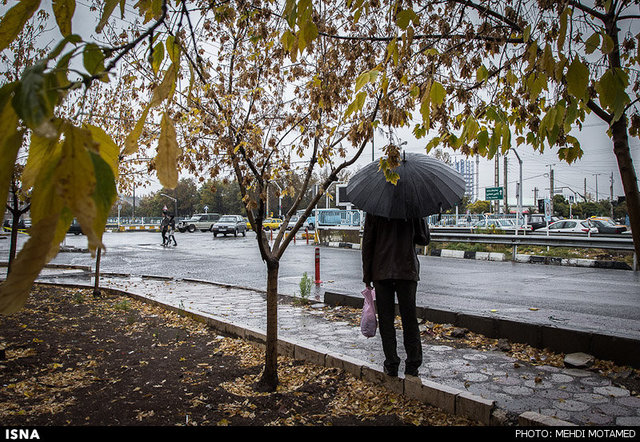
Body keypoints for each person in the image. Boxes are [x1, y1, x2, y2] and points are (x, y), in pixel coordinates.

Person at [361, 213, 430, 378]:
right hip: (407, 270)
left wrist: (367, 276)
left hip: (381, 270)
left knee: (386, 319)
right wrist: (421, 218)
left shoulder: (375, 209)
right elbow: (424, 239)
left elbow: (368, 243)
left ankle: (391, 364)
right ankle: (413, 365)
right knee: (409, 318)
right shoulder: (412, 207)